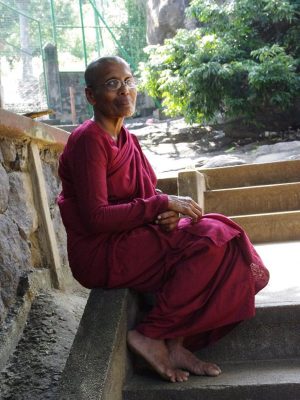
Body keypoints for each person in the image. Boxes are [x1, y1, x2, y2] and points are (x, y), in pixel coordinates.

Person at [57, 56, 269, 383]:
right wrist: (161, 204)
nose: (125, 91)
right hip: (101, 250)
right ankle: (150, 334)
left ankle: (175, 342)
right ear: (91, 96)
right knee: (212, 236)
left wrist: (165, 215)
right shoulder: (90, 140)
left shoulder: (128, 138)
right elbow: (97, 217)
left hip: (132, 236)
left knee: (221, 237)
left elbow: (144, 193)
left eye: (129, 81)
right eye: (112, 84)